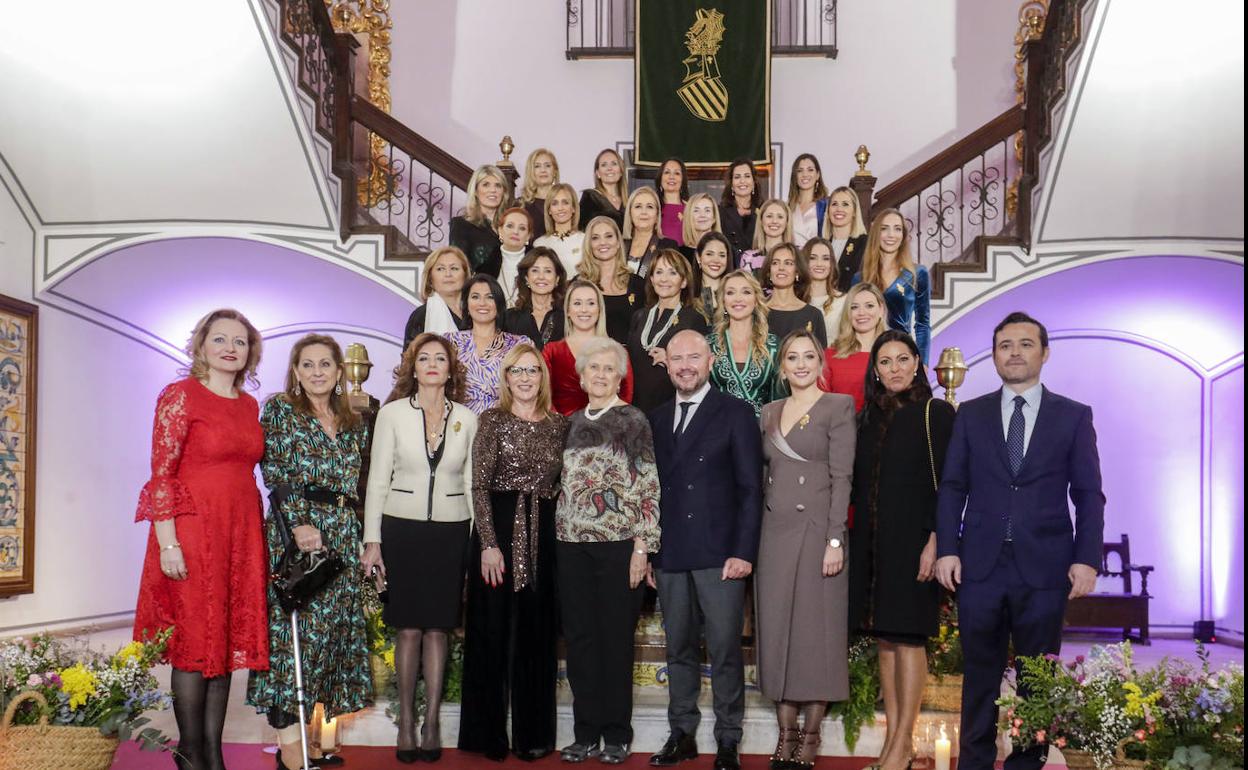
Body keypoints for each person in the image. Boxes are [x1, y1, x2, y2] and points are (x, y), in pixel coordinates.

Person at [935, 312, 1105, 770]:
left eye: (1025, 344)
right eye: (1005, 345)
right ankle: (973, 762)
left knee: (1037, 681)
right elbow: (953, 486)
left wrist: (1087, 559)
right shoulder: (970, 414)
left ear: (1044, 353)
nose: (1014, 352)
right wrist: (948, 547)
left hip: (1045, 568)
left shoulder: (1072, 416)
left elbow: (1088, 493)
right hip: (980, 566)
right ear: (993, 356)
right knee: (979, 678)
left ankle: (1027, 763)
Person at [133, 308, 268, 770]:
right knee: (195, 640)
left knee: (223, 640)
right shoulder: (180, 396)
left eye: (241, 341)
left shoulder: (249, 405)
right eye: (220, 339)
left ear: (251, 352)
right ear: (201, 346)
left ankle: (214, 752)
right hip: (191, 532)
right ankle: (190, 753)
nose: (231, 347)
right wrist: (168, 542)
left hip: (240, 532)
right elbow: (161, 475)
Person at [248, 334, 371, 769]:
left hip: (341, 532)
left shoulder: (352, 419)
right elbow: (276, 470)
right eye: (307, 364)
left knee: (326, 643)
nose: (317, 372)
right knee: (292, 641)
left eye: (325, 364)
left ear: (339, 372)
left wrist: (360, 538)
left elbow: (356, 483)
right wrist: (300, 522)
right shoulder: (281, 410)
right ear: (295, 372)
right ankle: (291, 753)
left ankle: (313, 744)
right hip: (298, 534)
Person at [647, 329, 763, 770]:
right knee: (678, 648)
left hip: (721, 555)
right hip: (672, 552)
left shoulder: (735, 413)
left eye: (693, 357)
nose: (685, 365)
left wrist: (743, 550)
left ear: (710, 361)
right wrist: (651, 553)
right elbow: (649, 491)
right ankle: (682, 734)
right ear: (668, 364)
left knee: (724, 648)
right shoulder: (656, 418)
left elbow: (750, 489)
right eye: (677, 358)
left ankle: (728, 739)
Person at [361, 333, 477, 764]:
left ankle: (431, 724)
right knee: (408, 627)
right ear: (413, 366)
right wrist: (373, 540)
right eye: (423, 358)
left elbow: (469, 482)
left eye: (440, 358)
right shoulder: (391, 414)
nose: (432, 364)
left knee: (438, 628)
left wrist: (474, 541)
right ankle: (406, 721)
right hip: (402, 528)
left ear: (450, 368)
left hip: (450, 531)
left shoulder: (467, 417)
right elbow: (376, 479)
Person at [848, 330, 955, 770]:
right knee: (886, 643)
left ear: (917, 363)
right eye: (884, 362)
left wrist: (936, 541)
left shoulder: (936, 412)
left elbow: (949, 485)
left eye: (901, 359)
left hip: (916, 544)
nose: (893, 369)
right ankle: (895, 742)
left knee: (910, 641)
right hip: (874, 547)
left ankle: (902, 743)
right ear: (875, 369)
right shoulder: (867, 417)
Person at [459, 345, 569, 762]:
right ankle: (486, 734)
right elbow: (480, 486)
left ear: (542, 377)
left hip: (543, 531)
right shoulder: (493, 420)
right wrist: (488, 543)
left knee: (536, 635)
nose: (525, 378)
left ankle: (533, 734)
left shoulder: (559, 424)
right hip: (499, 529)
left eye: (532, 371)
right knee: (491, 633)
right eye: (517, 371)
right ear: (506, 378)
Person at [556, 337, 662, 764]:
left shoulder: (632, 420)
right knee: (580, 641)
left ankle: (616, 734)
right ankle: (585, 732)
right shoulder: (571, 421)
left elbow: (648, 484)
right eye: (592, 369)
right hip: (570, 545)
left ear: (619, 376)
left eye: (608, 369)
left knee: (615, 640)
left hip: (619, 545)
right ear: (581, 377)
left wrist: (643, 547)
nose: (599, 375)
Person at [757, 330, 855, 770]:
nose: (800, 364)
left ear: (821, 363)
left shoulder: (838, 407)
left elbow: (842, 478)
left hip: (820, 533)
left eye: (808, 357)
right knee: (777, 627)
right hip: (775, 533)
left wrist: (836, 539)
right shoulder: (769, 412)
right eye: (792, 357)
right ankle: (786, 734)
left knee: (818, 631)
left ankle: (811, 736)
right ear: (782, 367)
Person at [626, 249, 709, 414]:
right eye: (659, 272)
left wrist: (671, 360)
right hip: (634, 409)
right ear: (651, 278)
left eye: (672, 272)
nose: (664, 279)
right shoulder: (639, 316)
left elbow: (702, 369)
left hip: (671, 408)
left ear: (684, 281)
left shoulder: (693, 319)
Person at [543, 280, 635, 415]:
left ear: (599, 310)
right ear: (568, 310)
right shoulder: (552, 351)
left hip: (607, 431)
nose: (584, 309)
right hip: (560, 430)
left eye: (591, 303)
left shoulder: (616, 351)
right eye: (577, 303)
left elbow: (626, 397)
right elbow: (544, 397)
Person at [445, 275, 531, 413]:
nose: (482, 303)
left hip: (505, 422)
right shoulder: (450, 342)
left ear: (499, 304)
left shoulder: (519, 344)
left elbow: (531, 388)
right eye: (475, 297)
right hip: (459, 424)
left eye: (490, 297)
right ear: (466, 304)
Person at [853, 208, 930, 362]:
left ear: (903, 236)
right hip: (868, 355)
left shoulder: (917, 273)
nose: (891, 235)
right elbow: (852, 323)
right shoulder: (859, 278)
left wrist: (923, 361)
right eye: (884, 229)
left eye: (897, 229)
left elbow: (923, 323)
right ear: (876, 234)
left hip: (902, 354)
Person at [706, 269, 779, 417]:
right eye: (731, 292)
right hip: (718, 430)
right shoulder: (708, 345)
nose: (738, 298)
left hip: (760, 432)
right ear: (723, 301)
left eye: (746, 292)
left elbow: (779, 400)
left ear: (756, 299)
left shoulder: (773, 345)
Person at [820, 283, 888, 412]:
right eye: (854, 307)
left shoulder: (893, 354)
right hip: (841, 430)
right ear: (848, 313)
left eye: (869, 306)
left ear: (881, 310)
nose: (862, 312)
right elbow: (821, 407)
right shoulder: (830, 356)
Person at [579, 215, 647, 345]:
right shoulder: (580, 285)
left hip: (630, 361)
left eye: (609, 236)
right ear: (589, 245)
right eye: (595, 238)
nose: (602, 242)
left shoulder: (638, 284)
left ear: (618, 243)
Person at [403, 246, 472, 350]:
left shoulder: (478, 311)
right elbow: (409, 361)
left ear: (465, 276)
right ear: (430, 279)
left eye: (454, 268)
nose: (448, 274)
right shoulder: (421, 315)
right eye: (440, 269)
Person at [763, 242, 828, 349]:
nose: (781, 268)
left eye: (788, 263)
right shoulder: (757, 312)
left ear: (797, 272)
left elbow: (820, 359)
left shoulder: (814, 315)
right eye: (775, 263)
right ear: (769, 272)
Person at [503, 246, 567, 350]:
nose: (541, 277)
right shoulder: (509, 318)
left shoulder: (568, 317)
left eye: (548, 271)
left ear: (557, 279)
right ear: (526, 278)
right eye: (535, 270)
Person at [451, 165, 510, 277]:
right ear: (476, 192)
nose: (493, 190)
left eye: (498, 185)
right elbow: (458, 267)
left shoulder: (510, 226)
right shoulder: (462, 225)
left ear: (503, 193)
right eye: (486, 185)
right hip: (478, 290)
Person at [623, 186, 679, 279]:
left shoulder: (669, 246)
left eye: (649, 207)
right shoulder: (618, 244)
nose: (644, 212)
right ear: (630, 213)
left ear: (657, 215)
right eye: (638, 206)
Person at [534, 182, 585, 277]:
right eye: (555, 203)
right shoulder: (539, 244)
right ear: (549, 210)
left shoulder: (585, 240)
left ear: (573, 208)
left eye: (565, 202)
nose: (560, 208)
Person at [824, 187, 869, 292]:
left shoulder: (864, 243)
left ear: (854, 211)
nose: (839, 209)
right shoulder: (823, 245)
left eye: (845, 204)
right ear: (828, 210)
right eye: (834, 204)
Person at [803, 238, 845, 344]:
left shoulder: (844, 301)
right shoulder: (794, 300)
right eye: (813, 258)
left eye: (825, 258)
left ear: (831, 264)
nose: (819, 264)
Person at [718, 158, 762, 259]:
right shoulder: (720, 212)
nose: (742, 181)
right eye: (737, 177)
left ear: (754, 182)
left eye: (747, 176)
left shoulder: (764, 211)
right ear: (732, 185)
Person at [738, 199, 793, 274]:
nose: (774, 221)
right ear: (761, 221)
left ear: (787, 222)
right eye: (769, 216)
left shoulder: (798, 255)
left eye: (780, 217)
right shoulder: (749, 257)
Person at [786, 154, 829, 249]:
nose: (805, 174)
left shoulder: (826, 205)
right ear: (795, 176)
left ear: (818, 175)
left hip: (816, 260)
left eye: (810, 170)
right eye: (800, 171)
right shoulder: (787, 208)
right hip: (792, 259)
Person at [579, 148, 627, 230]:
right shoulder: (590, 197)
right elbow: (581, 230)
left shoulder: (630, 200)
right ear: (598, 173)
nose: (609, 168)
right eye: (604, 165)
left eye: (614, 164)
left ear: (621, 171)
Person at [520, 148, 559, 241]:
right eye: (537, 166)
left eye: (547, 166)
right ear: (531, 172)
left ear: (555, 172)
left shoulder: (565, 203)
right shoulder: (521, 205)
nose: (543, 170)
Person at [497, 207, 533, 305]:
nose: (515, 232)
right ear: (500, 230)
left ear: (528, 235)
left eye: (522, 228)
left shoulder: (537, 263)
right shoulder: (486, 267)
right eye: (510, 226)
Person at [692, 232, 732, 322]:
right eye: (709, 254)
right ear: (698, 257)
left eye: (722, 255)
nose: (716, 260)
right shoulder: (687, 295)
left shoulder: (734, 294)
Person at [678, 192, 723, 264]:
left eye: (707, 210)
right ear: (689, 217)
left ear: (714, 217)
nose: (702, 215)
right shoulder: (679, 255)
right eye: (696, 210)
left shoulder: (726, 251)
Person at [655, 157, 690, 245]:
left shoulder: (691, 209)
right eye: (667, 172)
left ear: (683, 180)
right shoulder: (653, 207)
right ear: (660, 179)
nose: (671, 177)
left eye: (677, 173)